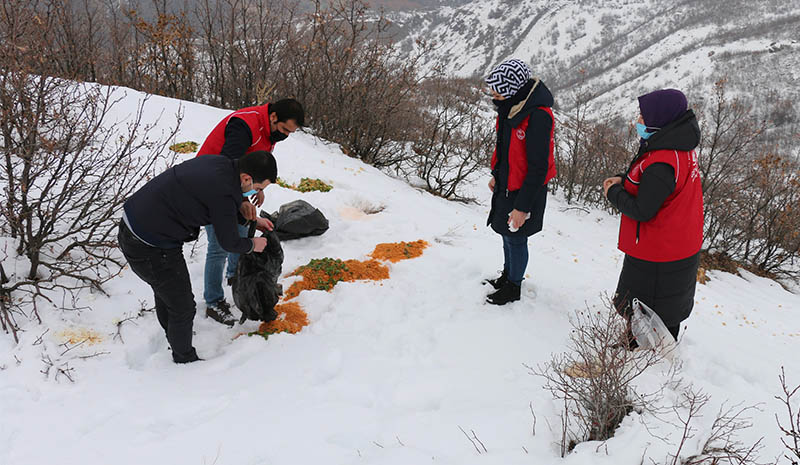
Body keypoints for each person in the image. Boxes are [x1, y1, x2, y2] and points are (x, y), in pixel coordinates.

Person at [118, 151, 277, 363]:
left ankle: (175, 337)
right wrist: (252, 245)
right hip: (148, 242)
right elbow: (229, 242)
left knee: (168, 292)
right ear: (246, 179)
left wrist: (252, 222)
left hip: (140, 224)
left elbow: (222, 207)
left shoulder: (221, 164)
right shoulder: (223, 192)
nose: (255, 193)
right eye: (257, 188)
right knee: (182, 306)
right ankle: (185, 361)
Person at [603, 88, 703, 348]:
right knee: (667, 306)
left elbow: (642, 210)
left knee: (645, 304)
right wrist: (624, 179)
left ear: (661, 119)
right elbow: (653, 187)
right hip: (678, 243)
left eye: (644, 116)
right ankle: (655, 348)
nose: (639, 121)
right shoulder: (677, 147)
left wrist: (612, 192)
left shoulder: (662, 161)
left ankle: (642, 353)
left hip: (658, 250)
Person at [197, 98, 304, 326]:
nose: (284, 136)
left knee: (242, 232)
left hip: (233, 186)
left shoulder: (268, 130)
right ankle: (214, 302)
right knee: (219, 247)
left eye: (290, 133)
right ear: (274, 117)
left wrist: (257, 187)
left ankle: (238, 281)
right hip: (209, 185)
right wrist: (241, 199)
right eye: (284, 129)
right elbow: (226, 169)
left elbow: (251, 166)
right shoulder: (245, 126)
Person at [482, 59, 556, 305]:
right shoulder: (510, 109)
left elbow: (538, 167)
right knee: (505, 232)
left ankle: (514, 287)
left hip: (526, 189)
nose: (493, 93)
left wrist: (523, 206)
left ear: (511, 89)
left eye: (497, 89)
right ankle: (507, 276)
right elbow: (504, 148)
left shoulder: (537, 117)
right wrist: (497, 173)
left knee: (516, 236)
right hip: (507, 184)